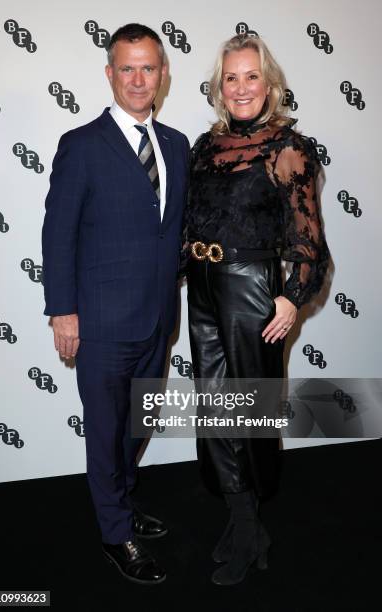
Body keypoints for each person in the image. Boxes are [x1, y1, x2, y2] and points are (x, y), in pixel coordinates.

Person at [42, 23, 189, 585]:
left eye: (147, 67)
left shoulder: (175, 144)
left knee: (140, 423)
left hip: (158, 319)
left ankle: (120, 505)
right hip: (100, 321)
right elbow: (58, 235)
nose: (137, 78)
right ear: (109, 73)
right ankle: (114, 534)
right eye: (126, 67)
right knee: (105, 431)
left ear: (162, 74)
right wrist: (63, 311)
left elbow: (171, 233)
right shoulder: (81, 145)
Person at [183, 34, 330, 586]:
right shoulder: (204, 146)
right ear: (219, 86)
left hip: (251, 286)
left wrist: (294, 295)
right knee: (214, 406)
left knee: (249, 405)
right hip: (200, 283)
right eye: (230, 77)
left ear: (269, 84)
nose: (241, 87)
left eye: (251, 77)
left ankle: (251, 524)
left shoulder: (287, 147)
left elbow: (309, 237)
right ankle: (242, 518)